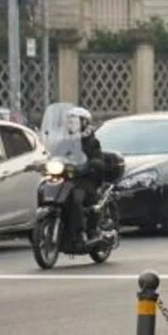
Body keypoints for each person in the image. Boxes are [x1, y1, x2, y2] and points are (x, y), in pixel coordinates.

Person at [62, 106, 105, 247]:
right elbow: (53, 154)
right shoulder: (64, 141)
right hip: (67, 179)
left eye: (74, 121)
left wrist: (91, 164)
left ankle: (81, 233)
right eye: (69, 121)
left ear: (84, 123)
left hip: (86, 180)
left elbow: (98, 158)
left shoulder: (92, 141)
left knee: (76, 198)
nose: (70, 124)